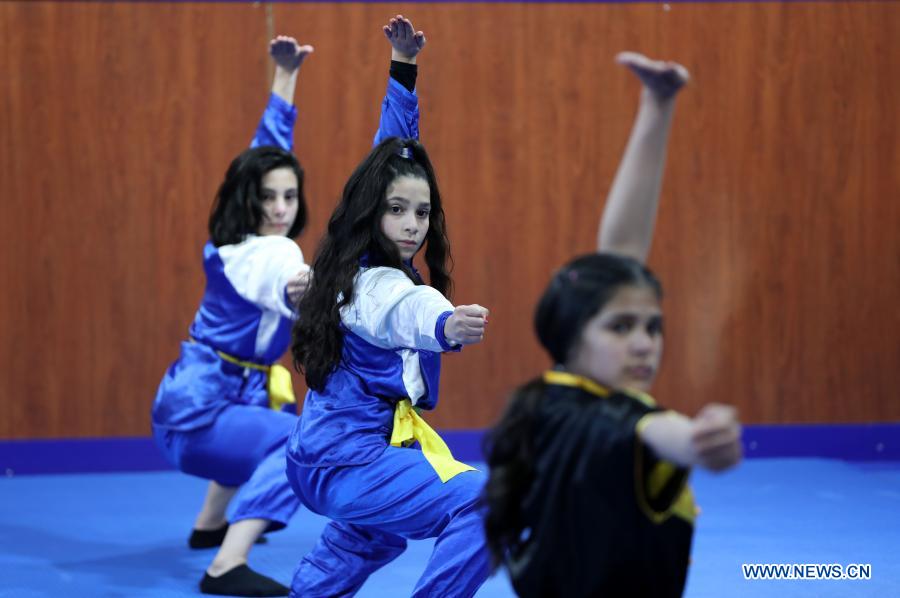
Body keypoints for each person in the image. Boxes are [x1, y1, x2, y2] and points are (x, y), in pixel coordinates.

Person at [151, 16, 427, 597]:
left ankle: (209, 523)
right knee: (294, 440)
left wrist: (285, 77)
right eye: (268, 198)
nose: (280, 208)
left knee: (265, 411)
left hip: (211, 400)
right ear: (245, 201)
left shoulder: (232, 244)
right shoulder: (266, 254)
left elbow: (267, 154)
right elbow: (287, 279)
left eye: (290, 196)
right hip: (199, 417)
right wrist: (323, 286)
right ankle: (226, 563)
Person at [483, 54, 743, 598]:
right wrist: (701, 439)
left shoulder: (545, 399)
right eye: (622, 329)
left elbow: (620, 260)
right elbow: (660, 432)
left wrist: (657, 106)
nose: (645, 344)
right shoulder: (624, 421)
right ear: (571, 333)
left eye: (653, 327)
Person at [287, 148, 490, 596]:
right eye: (396, 210)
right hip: (345, 462)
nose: (412, 224)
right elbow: (406, 308)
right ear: (370, 211)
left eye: (422, 212)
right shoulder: (377, 283)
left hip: (325, 455)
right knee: (486, 503)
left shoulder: (349, 270)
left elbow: (391, 146)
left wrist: (402, 100)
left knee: (372, 533)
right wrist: (447, 324)